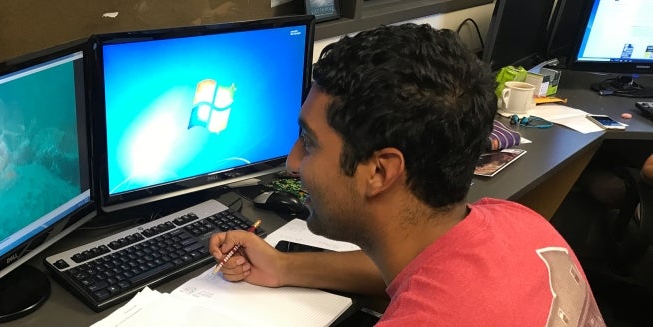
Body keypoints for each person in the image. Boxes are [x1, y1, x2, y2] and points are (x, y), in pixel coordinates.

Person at [208, 23, 604, 326]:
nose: (293, 163)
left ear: (380, 171)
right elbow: (416, 273)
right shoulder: (518, 223)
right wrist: (282, 266)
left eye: (309, 143)